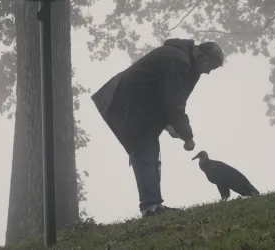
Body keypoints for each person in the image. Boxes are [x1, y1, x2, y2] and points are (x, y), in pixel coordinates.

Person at [91, 38, 224, 217]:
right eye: (211, 68)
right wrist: (188, 136)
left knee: (150, 152)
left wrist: (170, 125)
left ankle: (154, 204)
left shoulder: (183, 60)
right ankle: (150, 207)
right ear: (205, 60)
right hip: (125, 104)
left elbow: (167, 96)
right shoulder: (178, 61)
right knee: (145, 152)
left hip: (136, 106)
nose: (208, 73)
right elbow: (173, 103)